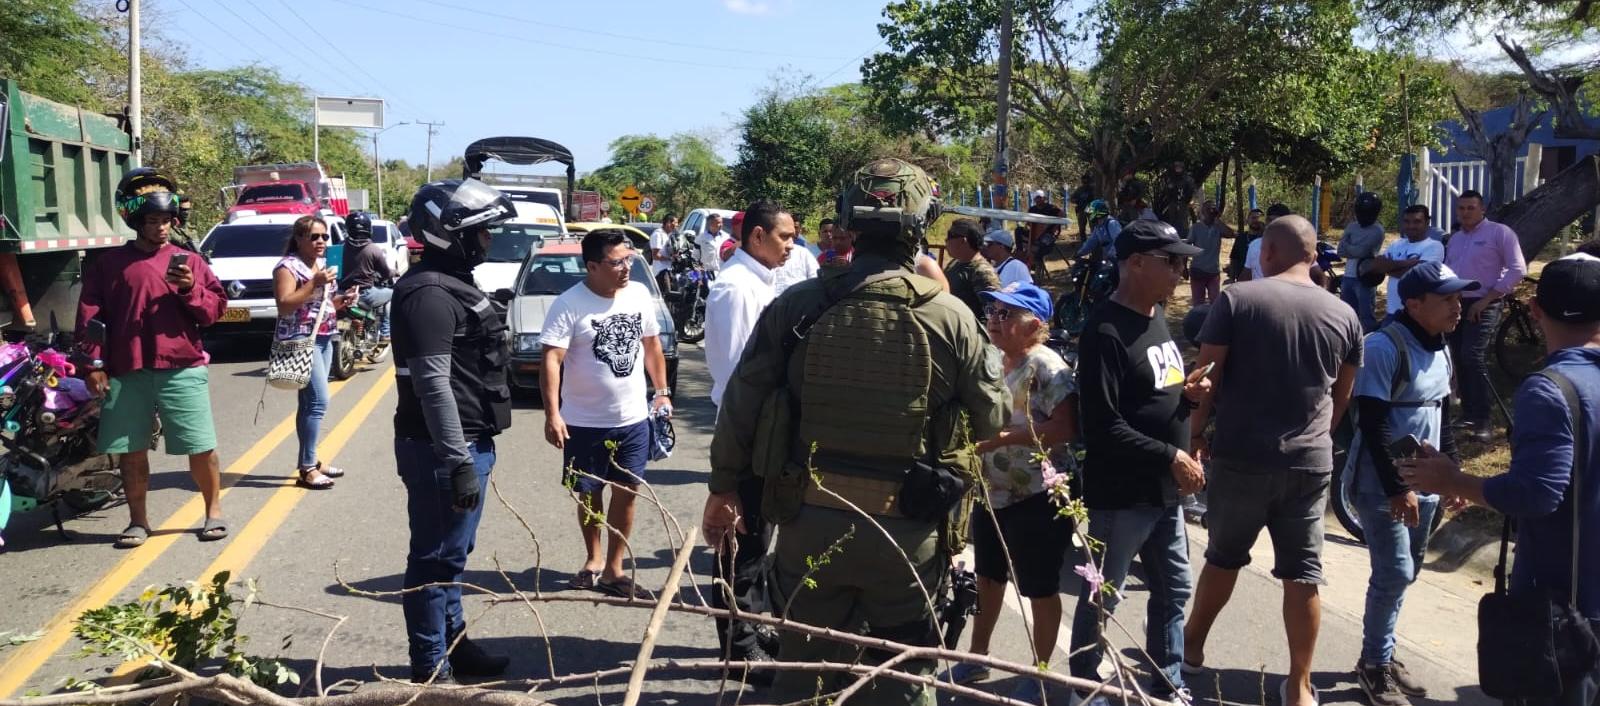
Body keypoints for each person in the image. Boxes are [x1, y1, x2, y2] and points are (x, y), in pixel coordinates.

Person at [703, 157, 1008, 705]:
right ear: (922, 226)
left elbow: (741, 407)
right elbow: (993, 416)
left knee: (804, 676)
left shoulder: (798, 305)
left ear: (849, 222)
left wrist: (723, 490)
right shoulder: (951, 316)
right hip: (908, 533)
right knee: (902, 681)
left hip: (808, 522)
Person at [1401, 252, 1600, 706]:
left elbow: (1535, 493)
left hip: (1567, 611)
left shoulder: (1550, 389)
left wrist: (1454, 481)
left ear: (1535, 310)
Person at [1185, 215, 1364, 706]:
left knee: (1223, 557)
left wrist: (1196, 435)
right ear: (1312, 256)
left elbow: (1207, 377)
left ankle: (1192, 648)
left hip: (1242, 455)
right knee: (1303, 572)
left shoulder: (1237, 299)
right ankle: (1300, 685)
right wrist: (1317, 439)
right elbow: (1342, 396)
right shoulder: (1344, 313)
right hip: (1309, 461)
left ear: (1266, 253)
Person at [1070, 219, 1206, 704]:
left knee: (1174, 590)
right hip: (1122, 495)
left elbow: (1155, 398)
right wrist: (1172, 454)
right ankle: (1083, 684)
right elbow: (1103, 426)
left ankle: (1168, 683)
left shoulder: (1156, 318)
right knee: (1103, 595)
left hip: (1164, 491)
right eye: (1172, 261)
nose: (1180, 271)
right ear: (1135, 263)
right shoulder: (1104, 332)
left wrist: (1187, 400)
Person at [390, 178, 518, 683]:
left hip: (464, 443)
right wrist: (459, 461)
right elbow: (434, 386)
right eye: (482, 233)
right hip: (445, 449)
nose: (488, 241)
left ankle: (456, 648)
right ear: (450, 235)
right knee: (433, 561)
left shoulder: (451, 286)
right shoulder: (428, 295)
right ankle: (430, 670)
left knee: (452, 559)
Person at [77, 168, 229, 549]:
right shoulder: (109, 265)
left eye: (166, 221)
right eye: (153, 222)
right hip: (128, 370)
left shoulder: (189, 261)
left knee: (201, 446)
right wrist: (93, 365)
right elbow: (90, 318)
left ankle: (213, 512)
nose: (162, 228)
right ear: (135, 221)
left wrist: (191, 290)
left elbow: (214, 311)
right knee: (131, 451)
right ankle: (138, 522)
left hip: (182, 367)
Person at [1345, 261, 1473, 706]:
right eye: (1448, 299)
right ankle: (1374, 665)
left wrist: (1452, 475)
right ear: (1414, 303)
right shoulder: (1383, 347)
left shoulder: (1441, 344)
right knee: (1395, 571)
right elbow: (1375, 427)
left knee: (1407, 572)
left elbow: (1443, 416)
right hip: (1385, 485)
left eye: (1459, 298)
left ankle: (1383, 651)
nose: (1458, 307)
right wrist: (1400, 490)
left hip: (1428, 482)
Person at [944, 283, 1078, 703]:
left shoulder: (1047, 365)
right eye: (993, 310)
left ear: (1034, 325)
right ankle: (978, 656)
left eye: (1007, 314)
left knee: (1038, 587)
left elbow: (1064, 429)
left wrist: (1002, 440)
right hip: (993, 492)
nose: (995, 319)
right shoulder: (993, 360)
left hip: (1039, 494)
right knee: (987, 577)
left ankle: (1039, 673)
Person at [541, 229, 673, 600]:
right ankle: (593, 558)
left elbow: (651, 345)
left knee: (628, 491)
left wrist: (661, 393)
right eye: (617, 262)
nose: (626, 268)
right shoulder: (569, 303)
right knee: (587, 493)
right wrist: (553, 414)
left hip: (632, 418)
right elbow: (552, 359)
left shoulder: (639, 294)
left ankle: (615, 569)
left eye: (628, 259)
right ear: (593, 266)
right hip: (582, 421)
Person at [701, 200, 795, 668]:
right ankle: (738, 648)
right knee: (738, 542)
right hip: (748, 431)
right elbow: (744, 377)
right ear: (757, 236)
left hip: (763, 431)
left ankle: (753, 627)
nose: (790, 246)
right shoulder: (738, 288)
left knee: (756, 541)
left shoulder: (758, 281)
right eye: (784, 238)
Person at [274, 215, 356, 490]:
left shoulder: (319, 264)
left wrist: (340, 301)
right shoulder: (287, 267)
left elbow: (320, 302)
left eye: (324, 237)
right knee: (319, 401)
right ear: (299, 239)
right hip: (301, 340)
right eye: (314, 237)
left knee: (308, 404)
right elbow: (285, 305)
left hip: (323, 337)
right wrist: (314, 283)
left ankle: (310, 459)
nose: (321, 241)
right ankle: (307, 468)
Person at [1443, 190, 1527, 442]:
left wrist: (1487, 299)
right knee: (1458, 356)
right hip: (1458, 302)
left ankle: (1484, 420)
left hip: (1486, 302)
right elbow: (1448, 270)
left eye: (1470, 208)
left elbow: (1517, 269)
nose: (1465, 212)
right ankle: (1468, 412)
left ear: (1482, 210)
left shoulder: (1500, 233)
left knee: (1473, 355)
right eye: (1461, 208)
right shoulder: (1455, 239)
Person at [1370, 205, 1446, 325]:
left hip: (1416, 316)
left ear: (1427, 222)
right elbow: (1375, 266)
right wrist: (1407, 263)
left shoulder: (1434, 246)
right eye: (1407, 222)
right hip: (1392, 312)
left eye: (1417, 222)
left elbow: (1417, 276)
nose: (1411, 226)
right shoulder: (1396, 244)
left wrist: (1388, 268)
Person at [340, 210, 396, 340]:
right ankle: (386, 332)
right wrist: (394, 272)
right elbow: (386, 273)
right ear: (368, 228)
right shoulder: (373, 249)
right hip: (365, 294)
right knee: (393, 294)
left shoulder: (339, 247)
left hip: (341, 293)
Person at [1339, 191, 1387, 333]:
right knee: (1346, 314)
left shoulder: (1378, 230)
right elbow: (1340, 251)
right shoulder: (1352, 226)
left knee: (1367, 318)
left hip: (1365, 277)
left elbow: (1360, 252)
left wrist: (1350, 247)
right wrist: (1354, 249)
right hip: (1348, 276)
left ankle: (1369, 345)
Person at [942, 219, 1003, 323]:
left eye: (950, 236)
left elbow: (993, 316)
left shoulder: (983, 272)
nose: (945, 240)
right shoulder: (954, 263)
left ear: (963, 241)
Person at [1186, 200, 1231, 305]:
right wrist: (1184, 266)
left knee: (1215, 304)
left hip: (1213, 272)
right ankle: (1198, 321)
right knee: (1198, 303)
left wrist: (1217, 220)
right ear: (1202, 211)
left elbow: (1231, 234)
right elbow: (1187, 246)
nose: (1211, 211)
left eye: (1213, 208)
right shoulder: (1196, 227)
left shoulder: (1218, 227)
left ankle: (1212, 321)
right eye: (1208, 209)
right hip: (1198, 270)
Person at [1242, 204, 1293, 282]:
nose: (1272, 224)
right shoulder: (1254, 245)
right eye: (1269, 220)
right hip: (1259, 293)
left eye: (1277, 221)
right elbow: (1246, 275)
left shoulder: (1297, 246)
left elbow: (1316, 274)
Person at [1156, 161, 1198, 237]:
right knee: (1172, 221)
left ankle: (1185, 236)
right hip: (1173, 203)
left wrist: (1189, 200)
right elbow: (1167, 190)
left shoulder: (1188, 179)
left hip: (1184, 203)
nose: (1178, 169)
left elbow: (1192, 190)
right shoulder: (1171, 179)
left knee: (1184, 222)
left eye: (1179, 167)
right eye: (1176, 167)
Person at [773, 227, 819, 295]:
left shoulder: (803, 253)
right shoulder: (764, 254)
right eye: (784, 236)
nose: (790, 243)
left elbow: (815, 278)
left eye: (791, 236)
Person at [1228, 208, 1266, 282]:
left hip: (1261, 281)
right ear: (1247, 220)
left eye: (1259, 218)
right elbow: (1234, 258)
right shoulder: (1241, 238)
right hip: (1243, 280)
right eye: (1253, 218)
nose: (1256, 221)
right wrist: (1232, 278)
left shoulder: (1267, 239)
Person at [1028, 189, 1066, 262]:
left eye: (1039, 197)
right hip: (1034, 233)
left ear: (1044, 198)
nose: (1038, 199)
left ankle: (1037, 264)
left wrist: (1055, 226)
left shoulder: (1052, 207)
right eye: (1036, 198)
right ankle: (1020, 253)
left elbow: (1063, 214)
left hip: (1048, 234)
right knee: (1018, 231)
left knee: (1041, 246)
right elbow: (1028, 223)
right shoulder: (1032, 209)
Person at [649, 214, 680, 291]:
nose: (677, 225)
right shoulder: (658, 234)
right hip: (660, 272)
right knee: (666, 295)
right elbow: (655, 256)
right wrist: (670, 258)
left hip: (668, 270)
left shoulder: (668, 235)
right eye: (675, 223)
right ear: (668, 223)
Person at [1071, 172, 1097, 237]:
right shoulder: (1079, 190)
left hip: (1090, 208)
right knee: (1082, 228)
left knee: (1093, 226)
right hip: (1081, 209)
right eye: (1084, 180)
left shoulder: (1093, 189)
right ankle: (1083, 241)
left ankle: (1094, 241)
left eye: (1087, 180)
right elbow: (1072, 199)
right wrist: (1077, 200)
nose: (1085, 182)